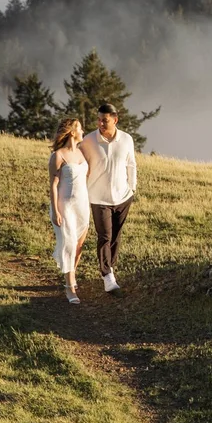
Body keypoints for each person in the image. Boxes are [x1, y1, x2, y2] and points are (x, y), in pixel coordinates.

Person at [79, 102, 137, 295]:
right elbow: (76, 160)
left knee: (116, 236)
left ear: (115, 120)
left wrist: (132, 188)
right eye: (99, 120)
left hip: (123, 197)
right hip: (98, 197)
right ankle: (107, 276)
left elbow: (131, 164)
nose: (100, 124)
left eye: (105, 120)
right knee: (105, 236)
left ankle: (110, 268)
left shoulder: (127, 139)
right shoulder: (88, 141)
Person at [47, 117, 91, 304]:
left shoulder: (81, 154)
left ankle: (72, 275)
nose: (83, 131)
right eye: (80, 128)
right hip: (65, 206)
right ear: (72, 132)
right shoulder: (58, 156)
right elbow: (53, 185)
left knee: (79, 246)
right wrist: (56, 210)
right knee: (69, 244)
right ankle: (69, 287)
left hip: (82, 205)